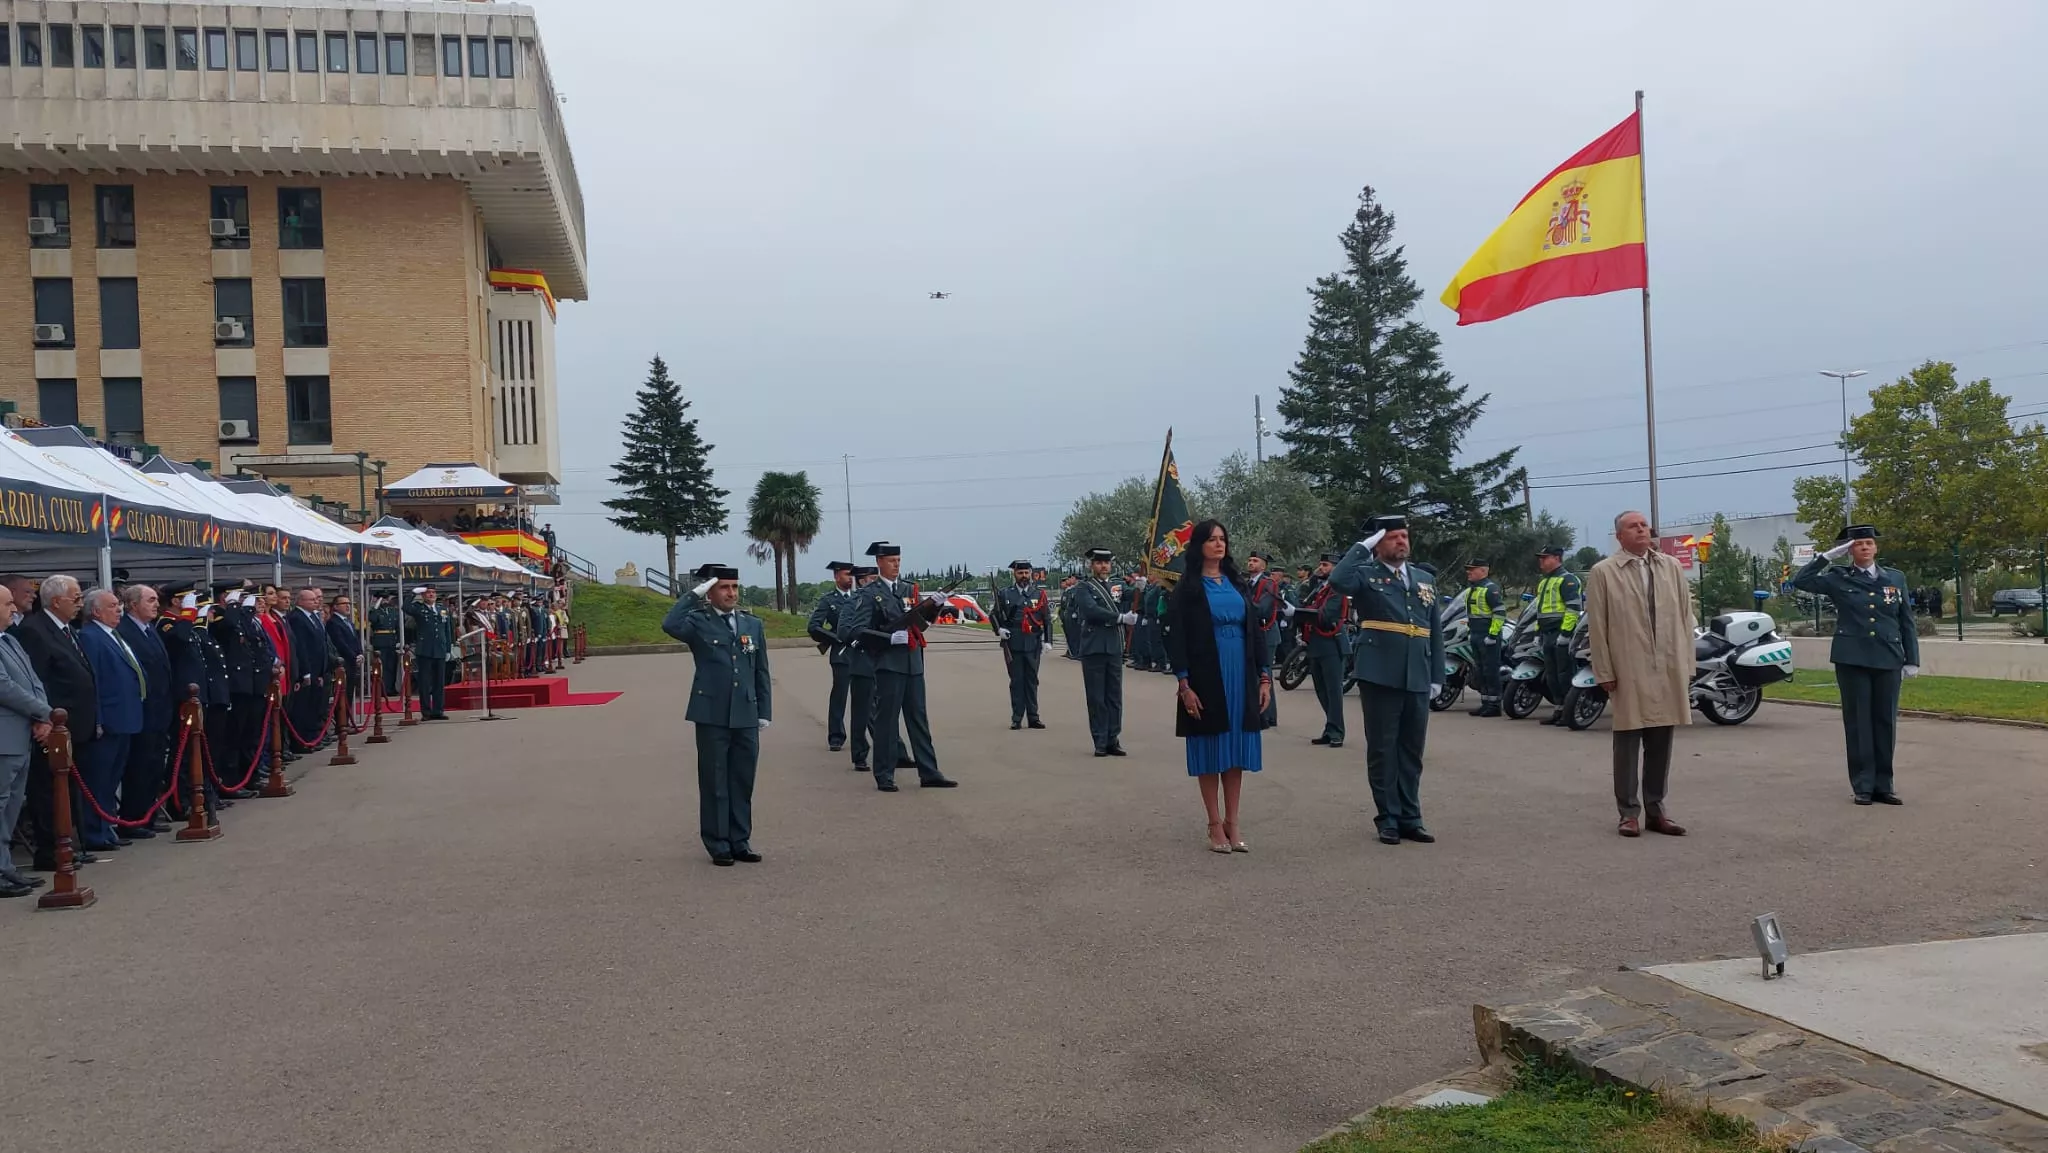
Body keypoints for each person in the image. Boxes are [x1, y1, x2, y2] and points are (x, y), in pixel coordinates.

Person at [1330, 515, 1445, 846]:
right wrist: (1361, 547)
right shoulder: (1366, 574)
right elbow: (1338, 580)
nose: (1401, 541)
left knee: (1412, 749)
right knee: (1383, 749)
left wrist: (1437, 675)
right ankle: (1388, 817)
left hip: (1418, 672)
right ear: (1378, 544)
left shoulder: (1424, 579)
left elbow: (1434, 629)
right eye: (1393, 537)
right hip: (1379, 672)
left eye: (1404, 535)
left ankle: (1411, 816)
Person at [1790, 525, 1918, 805]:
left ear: (1876, 548)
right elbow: (1801, 580)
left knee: (1885, 722)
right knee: (1859, 722)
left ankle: (1884, 785)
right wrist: (1826, 557)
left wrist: (1912, 659)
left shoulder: (1895, 577)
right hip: (1853, 658)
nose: (1865, 547)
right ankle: (1863, 785)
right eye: (1858, 544)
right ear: (1850, 550)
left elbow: (1906, 620)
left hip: (1888, 656)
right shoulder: (1838, 577)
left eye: (1869, 543)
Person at [1586, 510, 1694, 838]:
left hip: (1667, 665)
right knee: (1628, 741)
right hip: (1628, 667)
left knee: (1661, 741)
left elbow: (1685, 616)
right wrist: (1604, 670)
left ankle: (1656, 811)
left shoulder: (1670, 567)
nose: (1641, 530)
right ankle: (1628, 813)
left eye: (1644, 525)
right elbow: (1597, 626)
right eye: (1633, 526)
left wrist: (1687, 664)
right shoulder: (1604, 572)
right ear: (1620, 536)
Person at [1165, 521, 1271, 854]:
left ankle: (1233, 822)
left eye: (1222, 539)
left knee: (1236, 749)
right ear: (1199, 545)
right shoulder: (1188, 588)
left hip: (1241, 672)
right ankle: (1213, 823)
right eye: (1211, 539)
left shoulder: (1238, 584)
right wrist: (1184, 684)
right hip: (1206, 674)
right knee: (1211, 747)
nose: (1218, 544)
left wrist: (1265, 677)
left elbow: (1255, 631)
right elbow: (1177, 637)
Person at [662, 564, 772, 866]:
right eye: (724, 587)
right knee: (715, 780)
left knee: (742, 780)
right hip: (712, 713)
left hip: (746, 712)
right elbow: (669, 623)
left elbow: (761, 670)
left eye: (734, 587)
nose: (731, 593)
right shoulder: (698, 622)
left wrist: (764, 710)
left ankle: (740, 841)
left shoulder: (752, 624)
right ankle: (718, 842)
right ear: (710, 592)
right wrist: (692, 594)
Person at [843, 542, 956, 791]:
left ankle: (929, 772)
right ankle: (884, 774)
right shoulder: (869, 594)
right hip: (888, 665)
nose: (896, 565)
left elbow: (922, 623)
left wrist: (936, 606)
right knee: (887, 721)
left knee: (918, 719)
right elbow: (857, 630)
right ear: (879, 562)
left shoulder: (909, 589)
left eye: (898, 560)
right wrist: (889, 639)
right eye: (891, 560)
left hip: (913, 663)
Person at [16, 575, 100, 870]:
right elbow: (36, 680)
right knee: (49, 790)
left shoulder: (66, 629)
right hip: (53, 726)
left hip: (75, 725)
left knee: (69, 789)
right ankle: (51, 850)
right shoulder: (35, 631)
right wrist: (44, 717)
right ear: (55, 601)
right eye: (75, 598)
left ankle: (68, 844)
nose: (80, 604)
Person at [77, 588, 145, 852]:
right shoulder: (90, 637)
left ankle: (107, 828)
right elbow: (93, 682)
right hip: (108, 720)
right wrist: (98, 719)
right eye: (112, 606)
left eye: (119, 605)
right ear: (96, 611)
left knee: (111, 779)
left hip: (125, 717)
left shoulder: (113, 635)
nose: (119, 610)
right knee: (98, 780)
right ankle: (95, 833)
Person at [0, 580, 52, 895]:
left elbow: (33, 680)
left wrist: (42, 715)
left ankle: (6, 867)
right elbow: (4, 687)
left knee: (12, 806)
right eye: (7, 604)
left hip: (21, 734)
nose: (14, 608)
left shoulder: (10, 640)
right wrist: (44, 711)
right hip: (4, 738)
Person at [116, 584, 173, 837]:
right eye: (150, 600)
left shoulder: (150, 629)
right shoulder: (125, 631)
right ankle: (133, 818)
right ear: (133, 605)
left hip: (160, 710)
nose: (156, 605)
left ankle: (148, 814)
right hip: (142, 710)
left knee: (153, 765)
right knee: (139, 767)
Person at [1067, 548, 1135, 757]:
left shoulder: (1117, 585)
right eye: (1099, 562)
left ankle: (1113, 738)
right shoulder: (1084, 587)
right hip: (1094, 646)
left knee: (1114, 696)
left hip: (1113, 646)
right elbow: (1091, 610)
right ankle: (1100, 740)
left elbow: (1133, 595)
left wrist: (1142, 586)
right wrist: (1120, 618)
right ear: (1092, 565)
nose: (1103, 566)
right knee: (1097, 696)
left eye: (1106, 562)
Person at [841, 564, 889, 773]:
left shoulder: (883, 599)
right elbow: (844, 631)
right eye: (872, 578)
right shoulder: (854, 601)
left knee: (884, 711)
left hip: (882, 661)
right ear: (862, 581)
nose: (876, 582)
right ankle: (860, 754)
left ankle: (894, 751)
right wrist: (866, 638)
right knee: (861, 713)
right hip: (862, 661)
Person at [805, 561, 858, 752]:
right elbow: (814, 626)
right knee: (840, 696)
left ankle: (871, 735)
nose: (850, 578)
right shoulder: (828, 601)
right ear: (836, 576)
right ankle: (836, 736)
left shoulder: (860, 597)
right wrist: (835, 638)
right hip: (841, 654)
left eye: (851, 575)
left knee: (868, 696)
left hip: (861, 652)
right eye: (846, 574)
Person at [992, 560, 1049, 730]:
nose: (1024, 576)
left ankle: (1033, 717)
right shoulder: (1005, 594)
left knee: (1032, 680)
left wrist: (1048, 641)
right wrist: (999, 629)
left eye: (1026, 573)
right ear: (1014, 574)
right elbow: (993, 615)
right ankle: (1017, 717)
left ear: (1030, 574)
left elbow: (1046, 618)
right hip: (1013, 642)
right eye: (1020, 573)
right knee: (1017, 681)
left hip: (1033, 643)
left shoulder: (1039, 594)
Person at [1301, 552, 1350, 748]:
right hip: (1317, 643)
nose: (1321, 568)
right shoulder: (1320, 587)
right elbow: (1306, 602)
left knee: (1333, 691)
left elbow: (1326, 615)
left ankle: (1337, 731)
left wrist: (1301, 614)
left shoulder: (1338, 588)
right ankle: (1330, 728)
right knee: (1321, 690)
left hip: (1331, 644)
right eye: (1320, 564)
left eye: (1325, 565)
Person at [1532, 546, 1585, 725]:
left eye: (1545, 557)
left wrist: (1566, 633)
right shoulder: (1544, 582)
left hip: (1560, 632)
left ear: (1556, 558)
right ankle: (1558, 709)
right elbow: (1540, 611)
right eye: (1540, 558)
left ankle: (1569, 712)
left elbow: (1573, 608)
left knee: (1564, 674)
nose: (1541, 561)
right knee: (1551, 675)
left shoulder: (1568, 579)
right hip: (1547, 633)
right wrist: (1537, 632)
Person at [1244, 552, 1289, 725]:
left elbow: (1263, 609)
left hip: (1267, 633)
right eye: (1249, 560)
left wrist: (1242, 602)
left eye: (1255, 561)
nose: (1250, 563)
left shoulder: (1269, 584)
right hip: (1255, 633)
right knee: (1255, 674)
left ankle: (1268, 716)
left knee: (1265, 675)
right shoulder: (1247, 583)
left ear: (1263, 566)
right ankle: (1259, 711)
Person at [287, 588, 334, 749]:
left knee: (314, 706)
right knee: (303, 709)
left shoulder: (313, 616)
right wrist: (306, 672)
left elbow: (321, 644)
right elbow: (302, 647)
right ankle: (302, 741)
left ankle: (314, 736)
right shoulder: (297, 618)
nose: (316, 602)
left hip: (318, 670)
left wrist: (322, 670)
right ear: (301, 601)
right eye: (312, 599)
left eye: (316, 599)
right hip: (307, 670)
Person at [1461, 559, 1508, 717]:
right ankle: (1485, 703)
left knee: (1490, 670)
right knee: (1480, 670)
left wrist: (1493, 634)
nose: (1468, 572)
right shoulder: (1472, 589)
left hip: (1488, 635)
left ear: (1483, 571)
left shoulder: (1490, 589)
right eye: (1468, 569)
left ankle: (1494, 705)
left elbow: (1499, 614)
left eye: (1472, 569)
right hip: (1475, 634)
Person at [406, 587, 451, 720]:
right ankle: (426, 711)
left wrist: (448, 649)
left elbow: (447, 630)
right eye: (428, 593)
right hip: (425, 650)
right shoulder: (419, 608)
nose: (431, 595)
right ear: (423, 595)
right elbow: (405, 607)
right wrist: (412, 593)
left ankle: (438, 710)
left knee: (439, 682)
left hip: (440, 649)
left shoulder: (442, 609)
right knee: (425, 682)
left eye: (433, 592)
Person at [327, 593, 364, 706]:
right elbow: (340, 643)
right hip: (343, 663)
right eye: (344, 603)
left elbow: (356, 640)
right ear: (335, 606)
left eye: (349, 603)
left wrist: (360, 653)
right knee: (343, 694)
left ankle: (347, 715)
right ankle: (342, 716)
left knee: (349, 693)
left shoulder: (348, 622)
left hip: (352, 663)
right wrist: (354, 656)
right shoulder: (333, 623)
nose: (348, 606)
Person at [368, 593, 401, 699]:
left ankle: (390, 688)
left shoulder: (393, 611)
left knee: (391, 666)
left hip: (392, 641)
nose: (385, 601)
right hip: (380, 641)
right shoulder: (376, 611)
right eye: (383, 599)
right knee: (381, 666)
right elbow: (372, 619)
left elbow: (398, 626)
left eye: (386, 599)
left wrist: (399, 640)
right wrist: (376, 604)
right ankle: (381, 689)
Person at [1057, 574, 1081, 660]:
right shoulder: (1068, 592)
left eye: (1071, 578)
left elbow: (1076, 603)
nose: (1069, 580)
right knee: (1070, 635)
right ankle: (1071, 651)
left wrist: (1076, 613)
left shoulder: (1076, 590)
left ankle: (1075, 652)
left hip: (1073, 616)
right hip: (1067, 615)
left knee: (1074, 635)